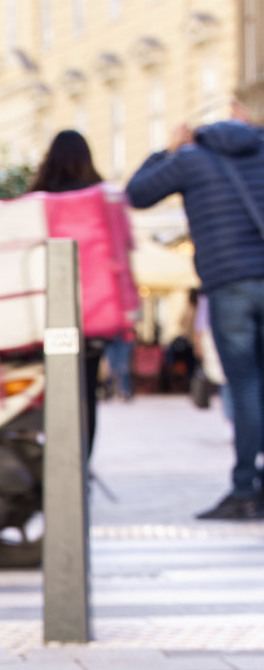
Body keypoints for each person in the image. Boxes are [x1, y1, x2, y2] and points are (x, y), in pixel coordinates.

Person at [127, 119, 264, 519]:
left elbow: (137, 193)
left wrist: (166, 151)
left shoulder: (191, 158)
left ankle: (243, 490)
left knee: (244, 386)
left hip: (230, 283)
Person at [29, 130, 109, 453]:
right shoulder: (100, 198)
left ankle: (53, 464)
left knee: (50, 391)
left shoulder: (39, 198)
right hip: (93, 312)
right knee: (87, 394)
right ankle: (80, 473)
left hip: (46, 311)